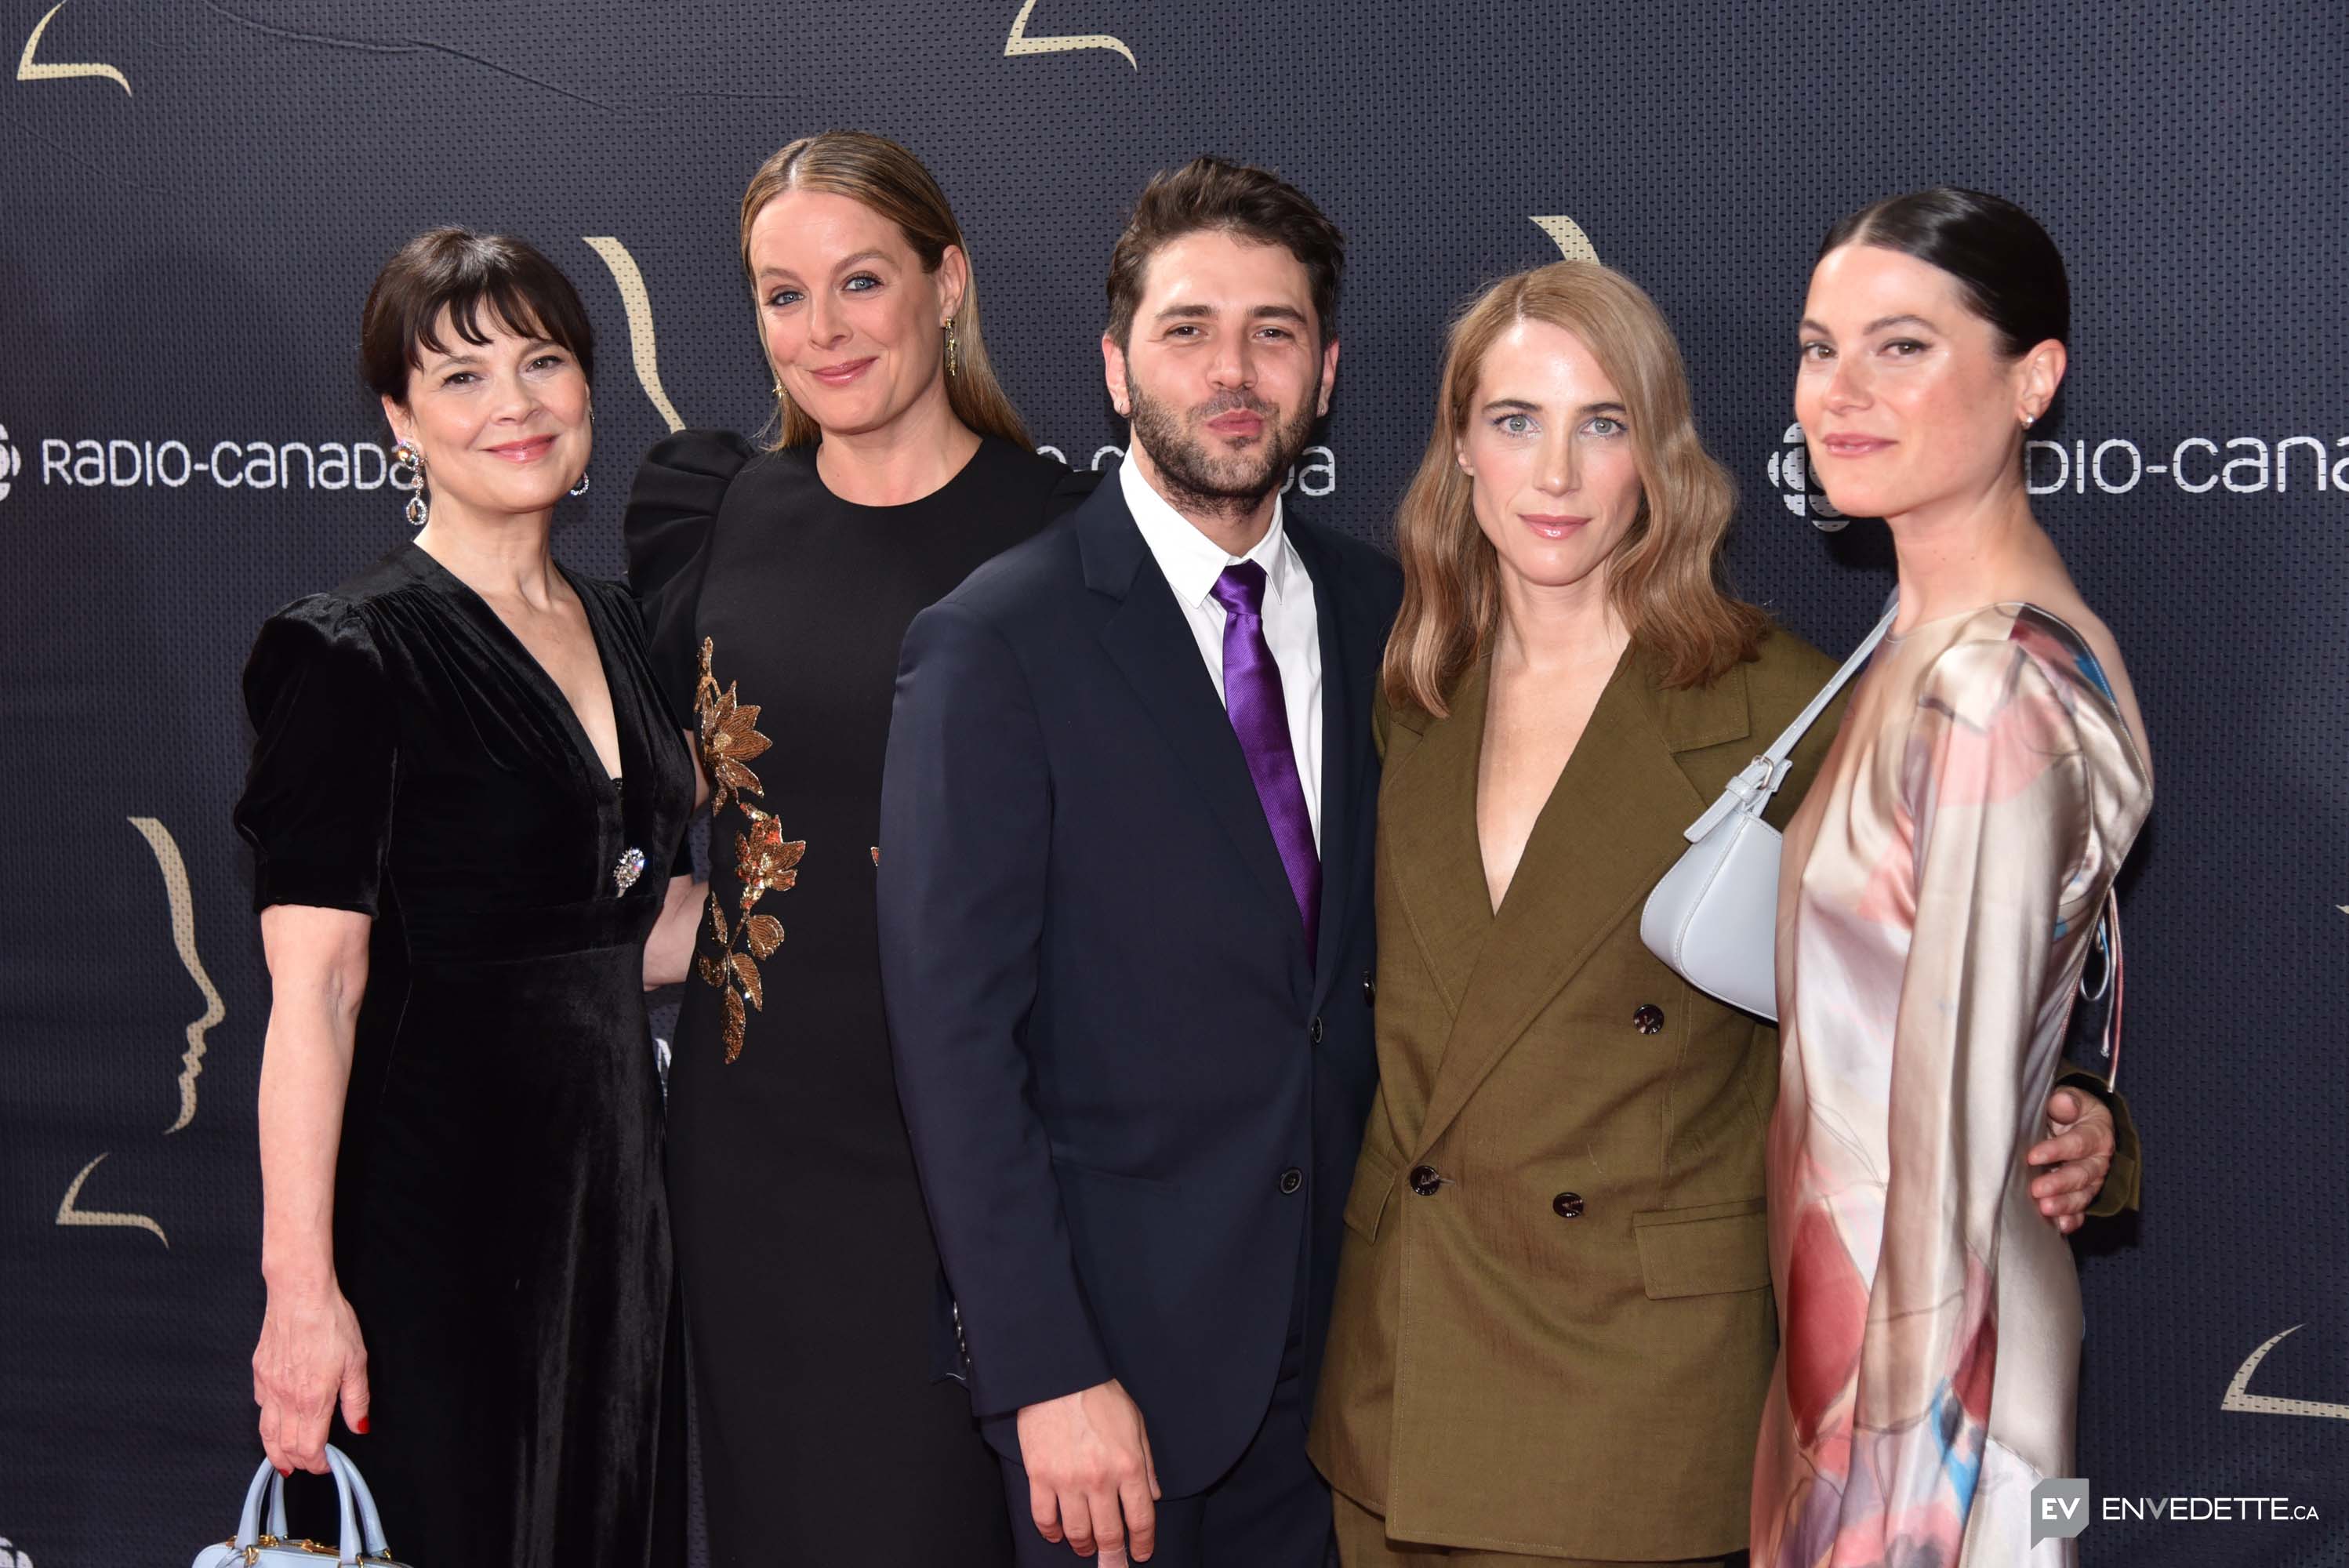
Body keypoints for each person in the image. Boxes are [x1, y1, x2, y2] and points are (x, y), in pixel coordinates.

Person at [1305, 261, 2129, 1568]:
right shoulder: (1405, 682)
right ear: (1460, 446)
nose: (1558, 475)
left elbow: (1944, 974)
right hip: (1399, 1384)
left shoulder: (1783, 705)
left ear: (1661, 453)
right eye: (1516, 421)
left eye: (1604, 423)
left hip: (1637, 1402)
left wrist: (2075, 1112)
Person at [878, 156, 1398, 1568]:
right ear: (1116, 368)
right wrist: (1044, 1370)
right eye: (1188, 330)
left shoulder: (1386, 612)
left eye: (1273, 333)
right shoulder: (998, 640)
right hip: (1113, 1385)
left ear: (1327, 371)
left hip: (1356, 1375)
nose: (1233, 370)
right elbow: (954, 1043)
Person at [622, 130, 1085, 1567]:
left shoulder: (1073, 540)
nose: (821, 332)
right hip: (757, 1145)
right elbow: (627, 799)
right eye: (782, 295)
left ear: (947, 285)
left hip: (1002, 1153)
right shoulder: (706, 514)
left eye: (861, 281)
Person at [236, 229, 693, 1568]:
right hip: (431, 1226)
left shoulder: (629, 627)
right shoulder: (347, 652)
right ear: (399, 420)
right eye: (462, 376)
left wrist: (864, 907)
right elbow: (313, 993)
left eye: (545, 362)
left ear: (590, 393)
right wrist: (300, 1292)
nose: (516, 405)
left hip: (614, 1220)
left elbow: (626, 928)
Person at [1751, 188, 2154, 1567]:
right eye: (1820, 348)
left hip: (1931, 1409)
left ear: (2033, 377)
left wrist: (1890, 1500)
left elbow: (1952, 1150)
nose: (1842, 393)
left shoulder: (1988, 688)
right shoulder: (1917, 646)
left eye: (1903, 347)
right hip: (1857, 1349)